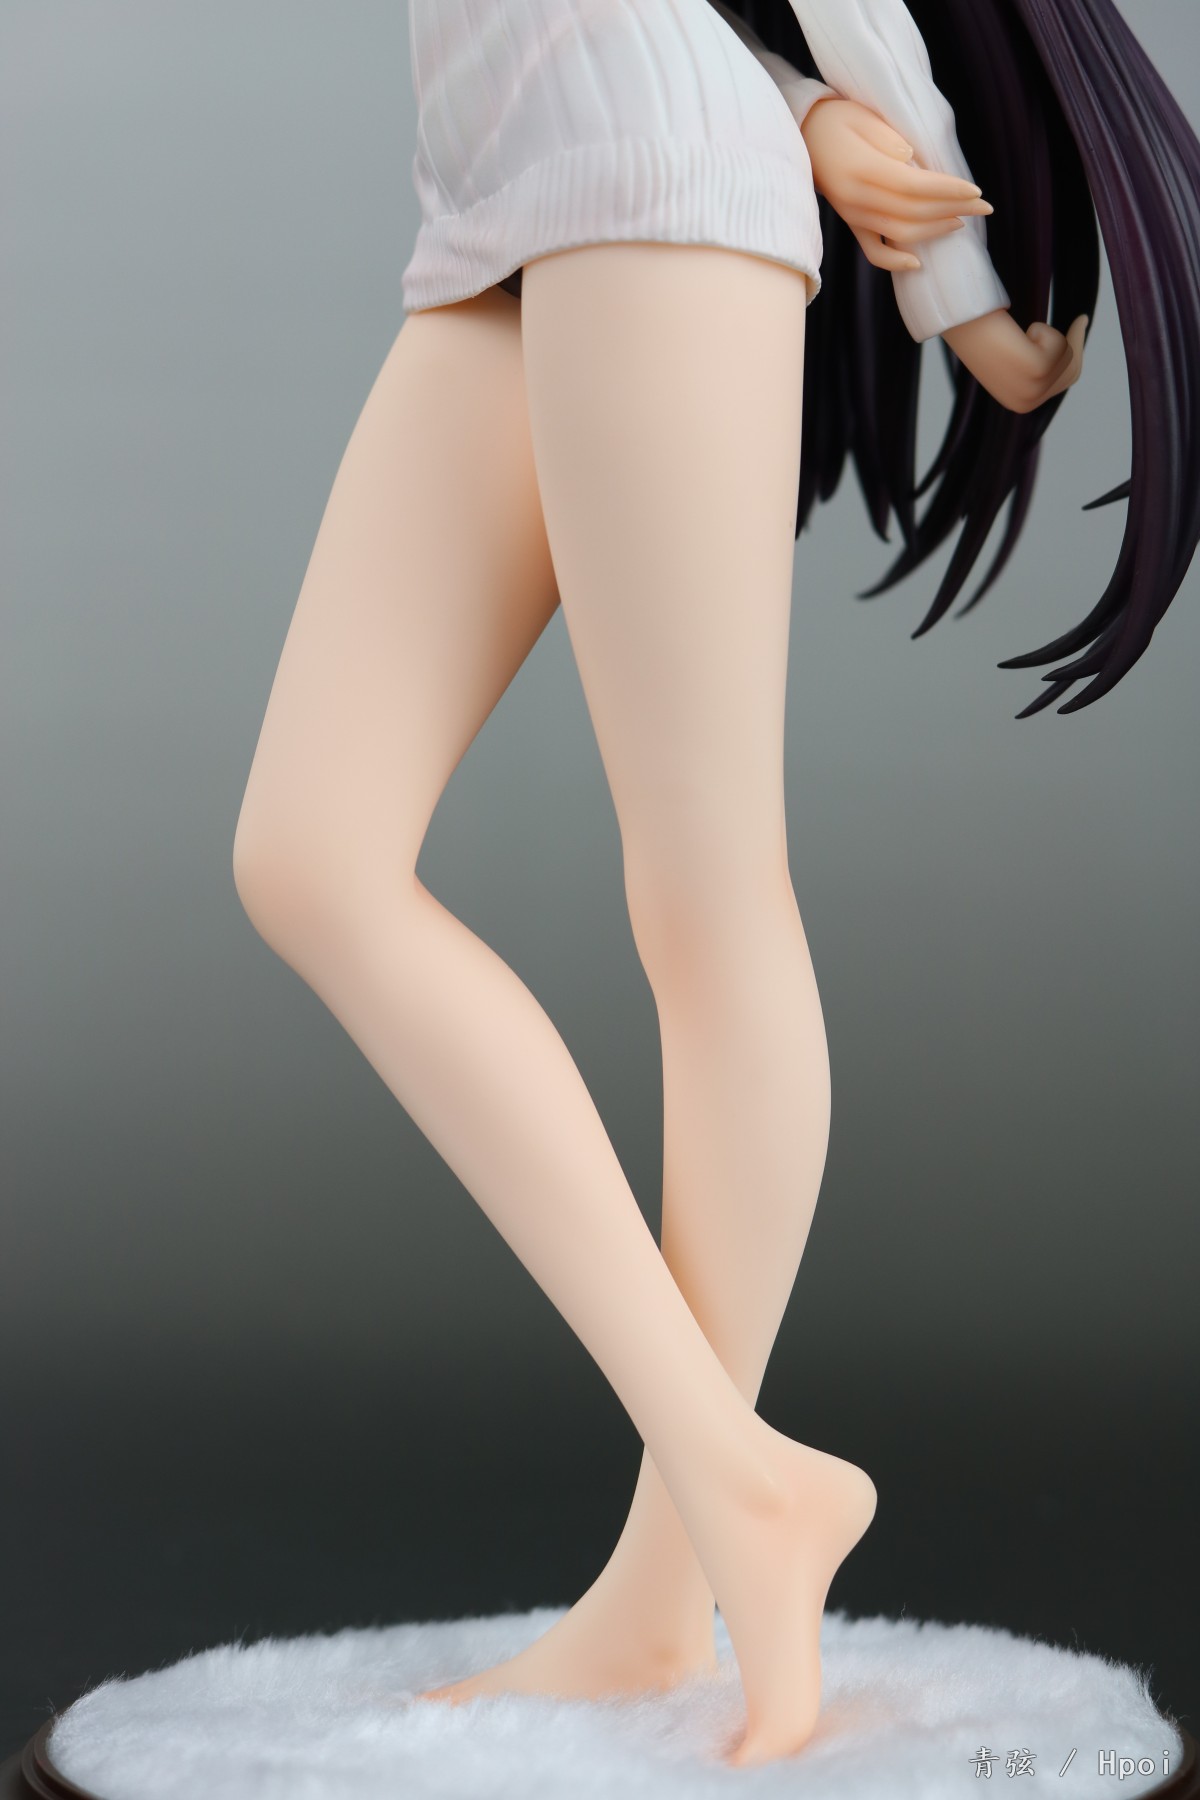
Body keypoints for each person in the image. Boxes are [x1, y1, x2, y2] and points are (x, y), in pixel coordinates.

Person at [230, 0, 1197, 1765]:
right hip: (500, 200)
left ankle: (682, 1570)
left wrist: (957, 290)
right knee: (309, 853)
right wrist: (809, 109)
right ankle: (732, 1495)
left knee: (705, 891)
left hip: (653, 183)